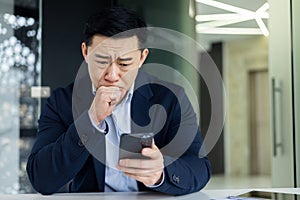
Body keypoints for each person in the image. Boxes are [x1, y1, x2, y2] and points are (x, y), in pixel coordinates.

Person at [26, 6, 211, 195]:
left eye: (124, 64)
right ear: (86, 53)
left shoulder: (171, 98)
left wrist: (160, 173)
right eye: (101, 61)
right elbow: (41, 179)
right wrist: (90, 121)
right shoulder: (62, 102)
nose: (112, 75)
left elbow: (200, 169)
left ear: (142, 57)